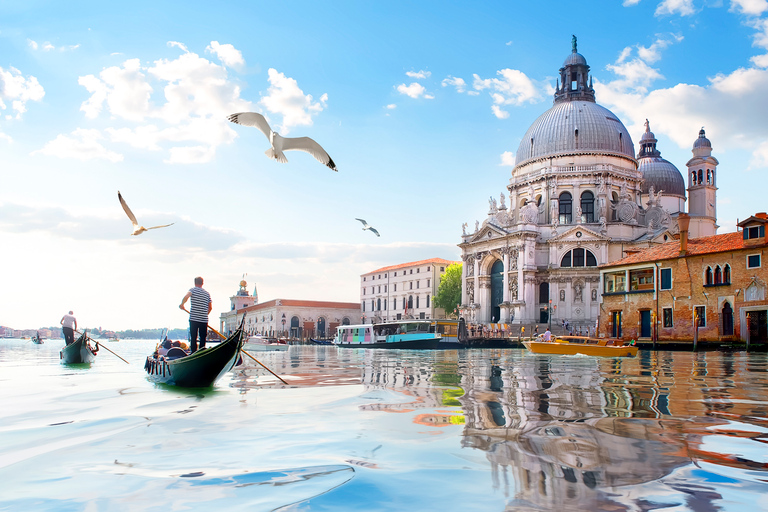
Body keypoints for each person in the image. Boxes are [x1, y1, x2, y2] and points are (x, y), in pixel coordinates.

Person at [180, 276, 212, 353]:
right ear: (202, 283)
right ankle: (202, 352)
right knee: (203, 338)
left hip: (194, 318)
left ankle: (193, 352)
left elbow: (186, 296)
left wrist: (182, 304)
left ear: (195, 283)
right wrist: (204, 314)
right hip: (204, 319)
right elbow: (210, 307)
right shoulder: (207, 293)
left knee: (193, 337)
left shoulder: (192, 290)